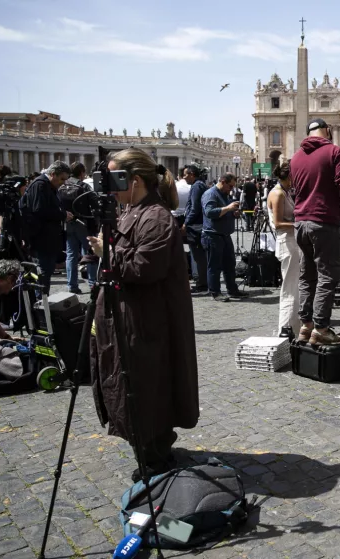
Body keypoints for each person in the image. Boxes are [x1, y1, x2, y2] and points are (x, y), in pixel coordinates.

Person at [87, 148, 198, 481]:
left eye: (115, 178)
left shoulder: (156, 216)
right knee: (130, 379)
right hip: (128, 315)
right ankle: (149, 447)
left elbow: (142, 268)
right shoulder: (130, 210)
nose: (109, 186)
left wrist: (106, 252)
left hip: (145, 319)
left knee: (147, 385)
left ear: (134, 180)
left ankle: (156, 456)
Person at [290, 118, 340, 345]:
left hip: (300, 221)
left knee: (307, 275)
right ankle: (321, 327)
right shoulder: (334, 151)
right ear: (328, 131)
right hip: (323, 220)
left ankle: (305, 325)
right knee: (328, 274)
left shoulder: (295, 157)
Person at [19, 161, 71, 293]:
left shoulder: (47, 185)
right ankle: (40, 301)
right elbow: (39, 210)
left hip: (47, 237)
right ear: (53, 174)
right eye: (62, 179)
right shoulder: (40, 185)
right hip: (41, 238)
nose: (63, 183)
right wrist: (62, 214)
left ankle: (42, 299)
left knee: (46, 270)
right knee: (43, 271)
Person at [268, 162, 300, 338]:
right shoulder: (278, 193)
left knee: (294, 287)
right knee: (289, 287)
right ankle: (285, 330)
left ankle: (294, 328)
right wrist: (298, 224)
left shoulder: (285, 192)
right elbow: (278, 223)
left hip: (291, 241)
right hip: (286, 242)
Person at [201, 173, 242, 302]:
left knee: (229, 264)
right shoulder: (210, 194)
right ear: (223, 181)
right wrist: (228, 208)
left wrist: (233, 213)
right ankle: (215, 292)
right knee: (214, 266)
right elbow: (209, 212)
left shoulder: (225, 194)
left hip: (224, 235)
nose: (231, 189)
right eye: (230, 186)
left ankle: (232, 289)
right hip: (212, 235)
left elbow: (225, 212)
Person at [57, 162, 98, 294]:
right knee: (90, 254)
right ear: (81, 173)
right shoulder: (83, 186)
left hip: (68, 223)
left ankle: (72, 285)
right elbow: (95, 202)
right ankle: (92, 284)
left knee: (71, 255)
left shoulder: (62, 186)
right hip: (83, 222)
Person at [183, 164, 209, 294]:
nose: (184, 177)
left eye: (185, 174)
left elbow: (194, 208)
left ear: (192, 174)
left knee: (197, 255)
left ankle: (201, 283)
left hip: (196, 226)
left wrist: (186, 223)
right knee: (199, 255)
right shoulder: (200, 185)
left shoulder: (196, 186)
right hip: (199, 225)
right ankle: (202, 281)